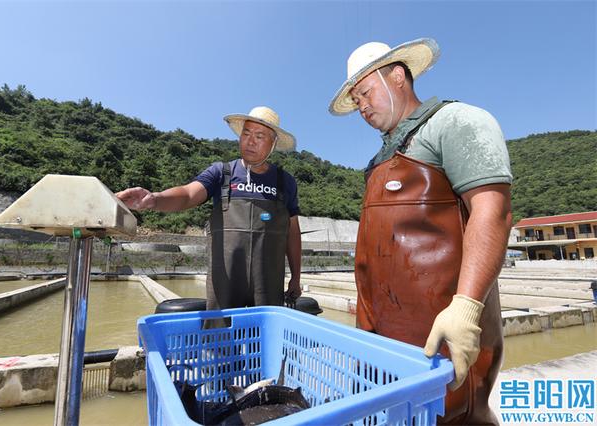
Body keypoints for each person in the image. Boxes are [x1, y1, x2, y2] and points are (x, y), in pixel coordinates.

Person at [329, 39, 513, 425]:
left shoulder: (455, 121)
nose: (361, 106)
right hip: (390, 341)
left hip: (444, 333)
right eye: (355, 99)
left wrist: (465, 307)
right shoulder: (378, 162)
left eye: (365, 92)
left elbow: (491, 212)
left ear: (397, 76)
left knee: (461, 414)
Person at [117, 106, 302, 311]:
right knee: (220, 339)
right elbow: (188, 194)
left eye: (259, 136)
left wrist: (296, 276)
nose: (250, 141)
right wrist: (154, 199)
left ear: (273, 143)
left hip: (268, 287)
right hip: (224, 286)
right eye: (246, 133)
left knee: (264, 339)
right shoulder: (221, 173)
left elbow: (292, 233)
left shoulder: (285, 182)